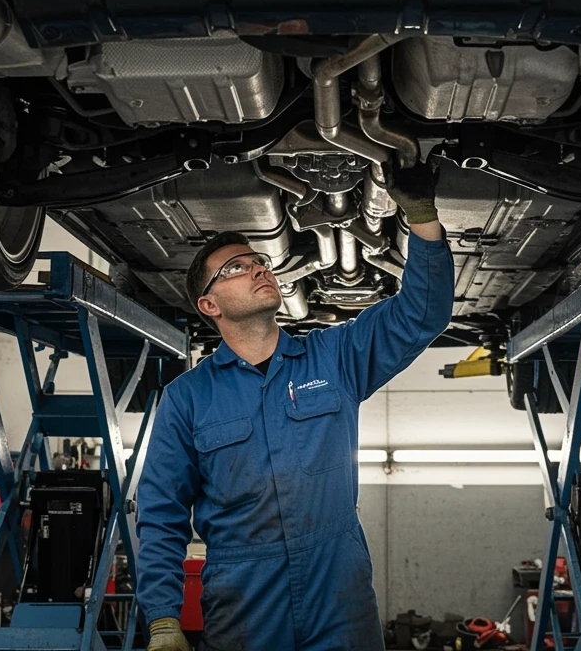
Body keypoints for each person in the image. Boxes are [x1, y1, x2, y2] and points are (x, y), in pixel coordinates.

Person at [135, 162, 455, 651]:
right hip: (244, 604)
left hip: (339, 593)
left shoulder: (334, 357)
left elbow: (422, 314)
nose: (258, 267)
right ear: (209, 305)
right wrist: (162, 618)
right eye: (236, 268)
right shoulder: (187, 398)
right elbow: (162, 514)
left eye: (257, 260)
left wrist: (420, 216)